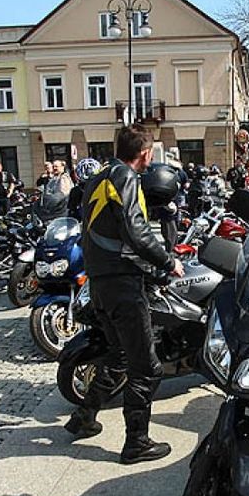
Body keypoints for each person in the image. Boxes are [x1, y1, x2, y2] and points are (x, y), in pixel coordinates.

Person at [64, 125, 184, 465]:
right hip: (123, 284)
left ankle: (83, 417)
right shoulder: (126, 178)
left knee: (118, 358)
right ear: (145, 153)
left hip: (99, 282)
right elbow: (136, 230)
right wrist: (168, 261)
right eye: (151, 152)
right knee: (146, 368)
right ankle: (136, 443)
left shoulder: (97, 179)